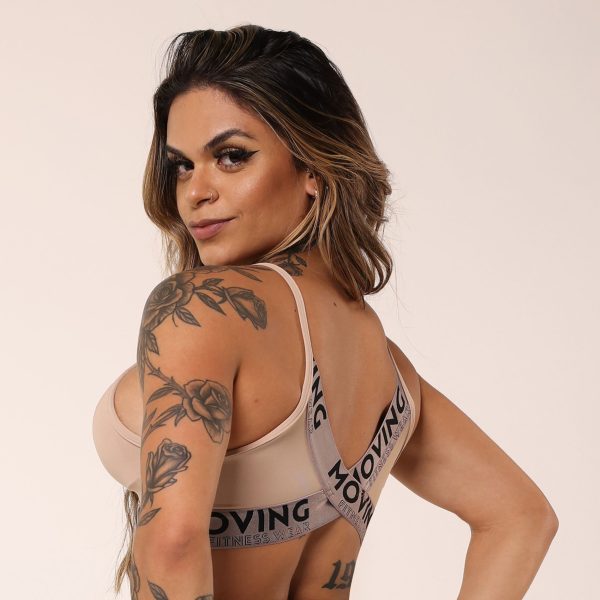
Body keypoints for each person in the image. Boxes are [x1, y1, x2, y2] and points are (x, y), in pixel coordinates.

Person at [92, 24, 558, 600]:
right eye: (182, 165)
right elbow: (520, 517)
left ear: (312, 167)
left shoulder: (201, 309)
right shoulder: (392, 375)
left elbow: (172, 544)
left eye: (231, 157)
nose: (195, 191)